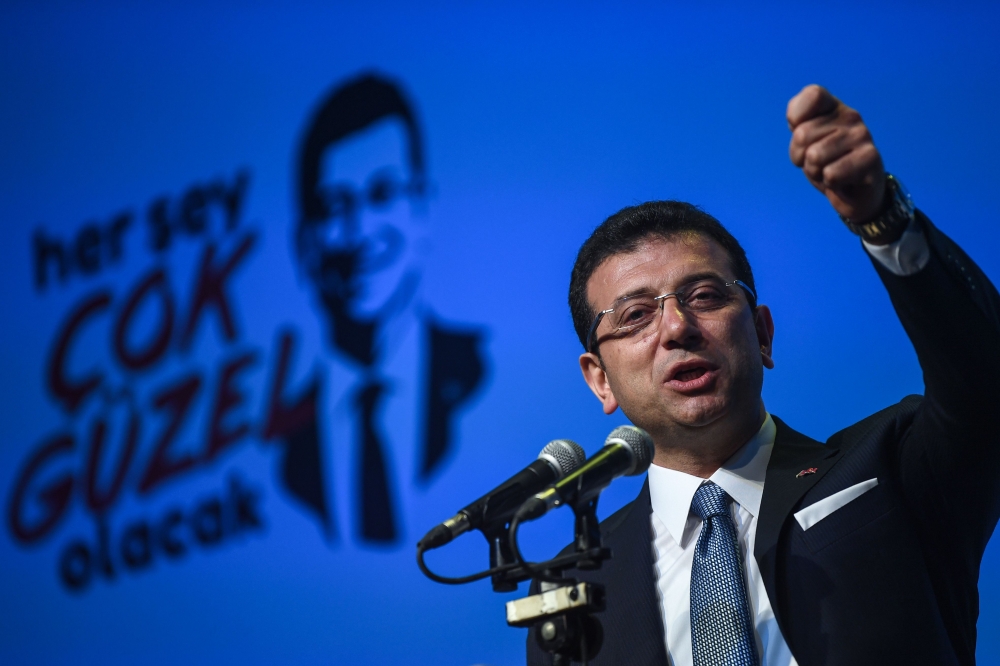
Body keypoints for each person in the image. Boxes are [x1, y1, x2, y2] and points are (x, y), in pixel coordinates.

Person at [526, 85, 1000, 665]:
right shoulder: (577, 588)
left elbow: (984, 381)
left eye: (703, 295)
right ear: (599, 380)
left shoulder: (893, 468)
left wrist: (884, 221)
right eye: (635, 316)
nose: (676, 327)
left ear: (763, 334)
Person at [287, 73, 486, 543]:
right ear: (305, 242)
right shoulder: (280, 448)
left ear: (423, 208)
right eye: (333, 207)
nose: (358, 232)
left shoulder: (486, 376)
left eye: (381, 194)